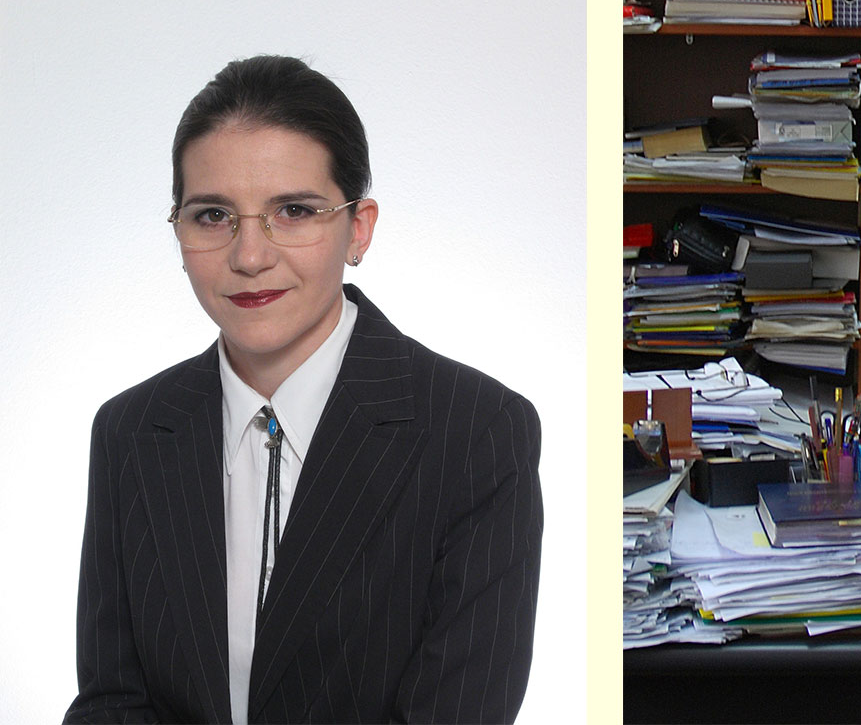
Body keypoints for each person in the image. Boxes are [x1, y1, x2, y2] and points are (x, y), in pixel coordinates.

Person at [69, 56, 543, 724]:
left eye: (293, 211)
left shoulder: (476, 431)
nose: (250, 256)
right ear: (177, 229)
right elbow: (112, 702)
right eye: (212, 215)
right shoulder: (130, 430)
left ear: (359, 227)